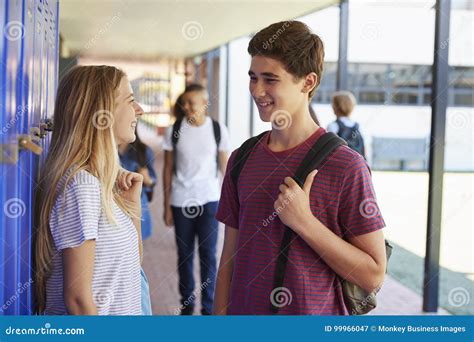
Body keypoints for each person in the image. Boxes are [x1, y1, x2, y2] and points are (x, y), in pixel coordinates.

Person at [214, 21, 387, 315]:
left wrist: (304, 222)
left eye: (270, 79)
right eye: (253, 77)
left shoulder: (346, 166)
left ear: (307, 82)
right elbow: (229, 259)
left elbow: (372, 275)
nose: (257, 90)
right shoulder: (242, 158)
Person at [35, 65, 144, 315]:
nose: (140, 109)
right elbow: (78, 301)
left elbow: (132, 268)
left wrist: (132, 206)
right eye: (131, 100)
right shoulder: (81, 187)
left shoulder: (101, 182)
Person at [162, 84, 230, 315]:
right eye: (185, 103)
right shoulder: (175, 129)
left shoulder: (218, 130)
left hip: (210, 201)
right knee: (184, 256)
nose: (188, 107)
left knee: (209, 256)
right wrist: (166, 205)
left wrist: (233, 204)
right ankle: (187, 305)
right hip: (181, 201)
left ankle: (208, 308)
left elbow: (225, 168)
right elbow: (168, 168)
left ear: (204, 102)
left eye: (192, 102)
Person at [118, 129, 157, 315]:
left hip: (137, 210)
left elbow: (152, 182)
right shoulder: (109, 149)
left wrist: (147, 178)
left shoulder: (143, 151)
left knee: (136, 256)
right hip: (117, 212)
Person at [327, 91, 366, 158]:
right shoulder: (358, 127)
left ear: (336, 107)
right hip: (357, 164)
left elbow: (329, 150)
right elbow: (363, 150)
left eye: (333, 104)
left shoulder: (333, 126)